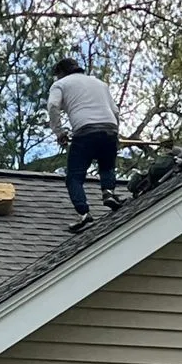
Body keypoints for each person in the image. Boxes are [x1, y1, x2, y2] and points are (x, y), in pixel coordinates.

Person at [47, 57, 123, 232]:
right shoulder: (100, 84)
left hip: (85, 130)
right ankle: (108, 192)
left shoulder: (60, 84)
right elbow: (115, 111)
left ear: (61, 73)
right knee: (106, 166)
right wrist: (115, 133)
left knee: (74, 176)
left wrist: (59, 132)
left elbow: (53, 106)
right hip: (110, 128)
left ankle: (84, 213)